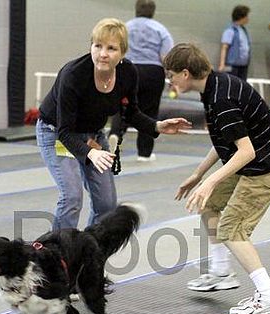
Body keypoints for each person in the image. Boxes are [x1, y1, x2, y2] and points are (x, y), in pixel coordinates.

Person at [164, 43, 270, 314]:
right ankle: (221, 272)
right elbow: (226, 140)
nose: (170, 81)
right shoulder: (213, 87)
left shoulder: (221, 99)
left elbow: (247, 151)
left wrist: (210, 181)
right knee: (209, 203)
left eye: (171, 75)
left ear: (185, 73)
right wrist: (199, 175)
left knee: (232, 228)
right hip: (252, 158)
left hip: (267, 165)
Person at [36, 18, 190, 231]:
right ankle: (58, 256)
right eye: (97, 46)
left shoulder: (128, 73)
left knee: (107, 205)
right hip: (57, 134)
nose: (103, 54)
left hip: (92, 135)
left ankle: (89, 253)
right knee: (72, 198)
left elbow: (131, 113)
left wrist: (157, 126)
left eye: (111, 48)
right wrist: (91, 153)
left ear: (123, 52)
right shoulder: (73, 74)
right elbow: (65, 131)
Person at [125, 0, 174, 162]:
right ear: (153, 11)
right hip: (153, 72)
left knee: (124, 107)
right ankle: (144, 153)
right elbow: (166, 57)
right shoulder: (160, 29)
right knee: (149, 111)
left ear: (136, 10)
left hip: (129, 69)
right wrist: (171, 77)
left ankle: (114, 137)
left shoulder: (125, 27)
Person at [219, 5, 251, 81]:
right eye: (246, 16)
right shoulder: (230, 30)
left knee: (242, 86)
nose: (248, 18)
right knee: (233, 85)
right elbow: (224, 47)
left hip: (243, 66)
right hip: (233, 66)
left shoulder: (243, 30)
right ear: (241, 17)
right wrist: (222, 64)